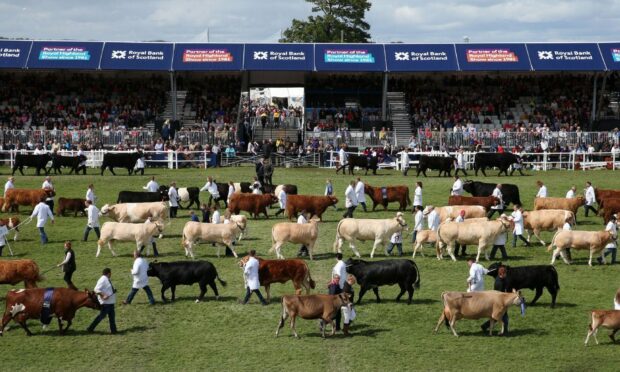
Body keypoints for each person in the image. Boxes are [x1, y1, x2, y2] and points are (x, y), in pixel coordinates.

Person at [481, 265, 510, 335]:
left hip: (497, 300)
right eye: (505, 273)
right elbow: (500, 295)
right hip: (499, 301)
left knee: (497, 316)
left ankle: (485, 326)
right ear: (502, 274)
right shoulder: (499, 283)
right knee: (504, 317)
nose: (506, 275)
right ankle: (504, 331)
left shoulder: (501, 279)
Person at [87, 268, 117, 334]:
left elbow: (107, 288)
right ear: (108, 273)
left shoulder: (106, 279)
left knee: (112, 317)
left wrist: (113, 291)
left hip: (110, 302)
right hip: (106, 303)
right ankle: (90, 328)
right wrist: (103, 295)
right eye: (110, 273)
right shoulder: (103, 279)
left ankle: (113, 330)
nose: (111, 274)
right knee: (101, 316)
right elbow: (96, 289)